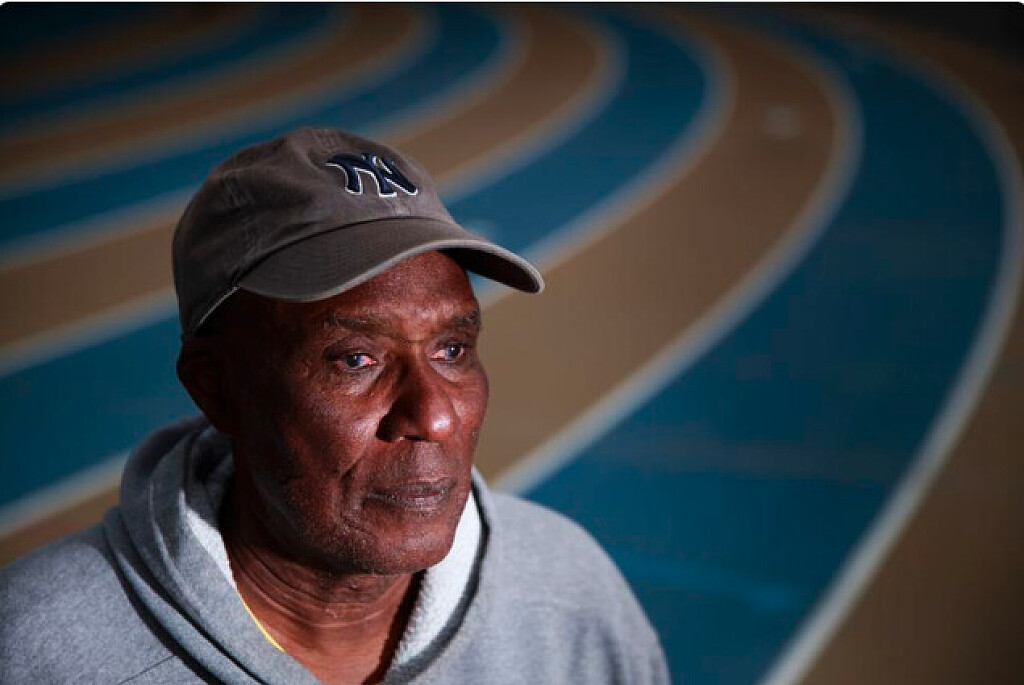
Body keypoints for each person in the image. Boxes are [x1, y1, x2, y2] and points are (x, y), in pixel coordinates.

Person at [0, 128, 668, 684]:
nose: (434, 416)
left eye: (452, 349)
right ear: (215, 387)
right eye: (356, 359)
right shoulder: (39, 649)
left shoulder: (570, 595)